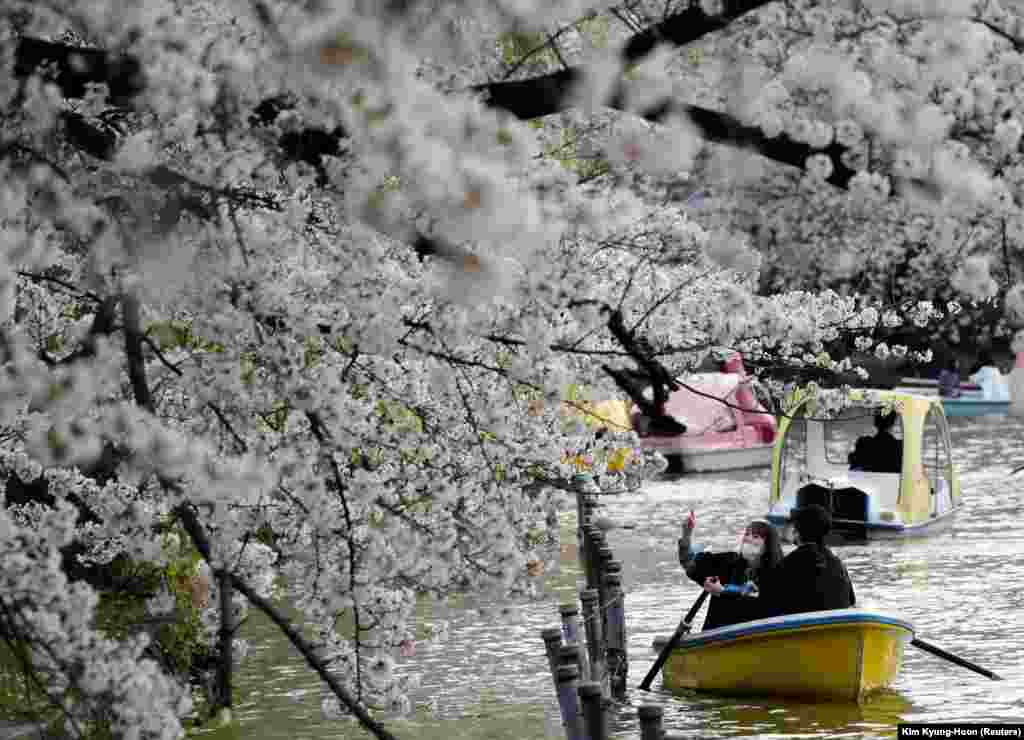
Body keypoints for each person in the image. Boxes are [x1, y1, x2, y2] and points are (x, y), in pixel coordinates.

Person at [678, 511, 784, 631]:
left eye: (755, 537)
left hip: (757, 634)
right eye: (747, 534)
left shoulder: (777, 572)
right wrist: (686, 534)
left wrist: (722, 591)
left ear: (768, 546)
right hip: (716, 635)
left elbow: (762, 601)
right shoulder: (728, 561)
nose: (748, 539)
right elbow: (689, 563)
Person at [756, 504, 856, 619]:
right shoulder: (838, 564)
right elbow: (851, 600)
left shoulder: (788, 564)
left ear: (797, 532)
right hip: (838, 627)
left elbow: (766, 601)